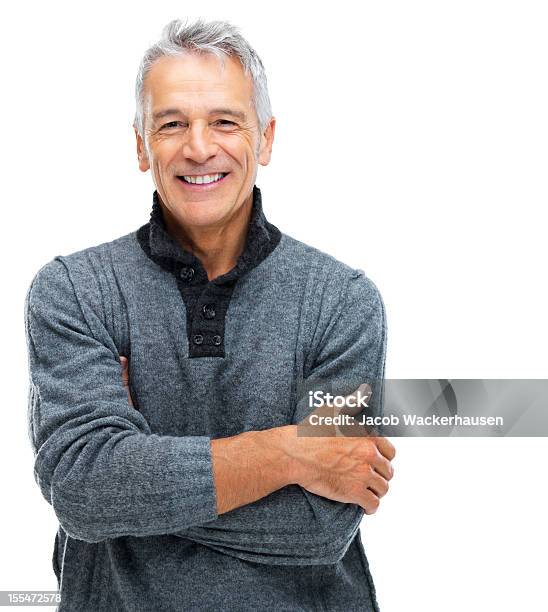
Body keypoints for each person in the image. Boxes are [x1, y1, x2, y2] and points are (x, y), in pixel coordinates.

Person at [24, 17, 395, 611]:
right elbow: (83, 489)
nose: (199, 147)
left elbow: (320, 525)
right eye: (172, 124)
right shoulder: (74, 291)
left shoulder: (343, 301)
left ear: (266, 139)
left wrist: (133, 479)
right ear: (142, 144)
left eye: (225, 121)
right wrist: (288, 454)